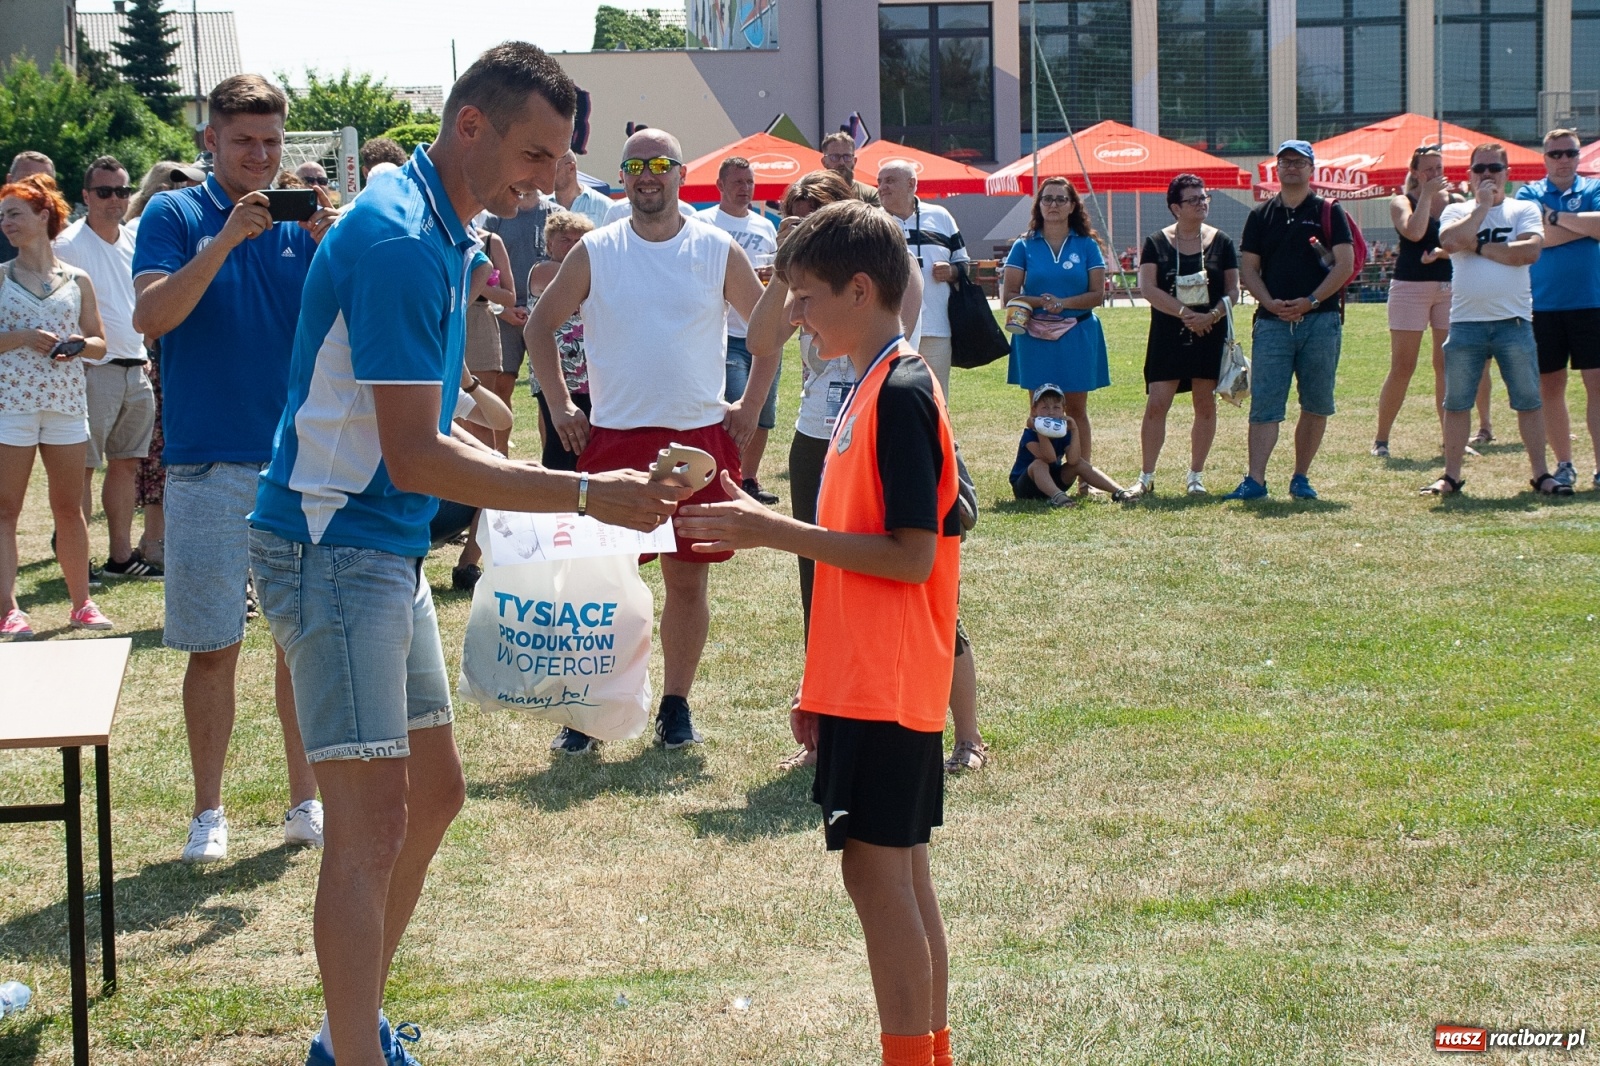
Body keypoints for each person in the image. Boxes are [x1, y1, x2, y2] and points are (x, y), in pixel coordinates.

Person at [249, 46, 687, 1066]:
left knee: (432, 794)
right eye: (535, 150)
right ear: (472, 127)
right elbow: (409, 451)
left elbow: (393, 401)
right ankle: (352, 1050)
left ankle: (346, 1029)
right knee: (366, 826)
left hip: (376, 542)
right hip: (334, 544)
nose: (550, 175)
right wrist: (589, 494)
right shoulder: (405, 239)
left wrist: (474, 410)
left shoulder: (446, 225)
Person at [675, 199, 960, 1066]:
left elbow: (912, 557)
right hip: (866, 681)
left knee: (879, 879)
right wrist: (819, 689)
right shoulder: (869, 386)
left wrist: (766, 528)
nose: (792, 315)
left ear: (861, 288)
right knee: (896, 877)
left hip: (890, 680)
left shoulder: (900, 390)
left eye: (804, 297)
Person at [131, 74, 338, 863]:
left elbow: (350, 326)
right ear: (210, 141)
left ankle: (305, 800)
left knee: (300, 645)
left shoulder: (307, 222)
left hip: (295, 460)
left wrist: (333, 249)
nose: (260, 156)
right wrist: (224, 242)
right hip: (206, 460)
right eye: (244, 140)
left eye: (273, 142)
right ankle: (208, 812)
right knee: (213, 646)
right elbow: (153, 317)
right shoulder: (176, 214)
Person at [528, 126, 769, 753]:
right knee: (604, 585)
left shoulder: (716, 248)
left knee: (688, 582)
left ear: (681, 173)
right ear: (624, 175)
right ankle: (589, 713)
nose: (647, 175)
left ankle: (675, 705)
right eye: (636, 165)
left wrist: (749, 405)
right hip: (615, 439)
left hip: (698, 440)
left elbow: (767, 328)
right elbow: (539, 327)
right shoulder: (596, 250)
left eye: (661, 163)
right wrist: (560, 406)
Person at [0, 174, 114, 638]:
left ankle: (82, 603)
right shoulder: (1, 278)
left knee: (70, 508)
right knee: (6, 510)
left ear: (43, 216)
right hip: (12, 406)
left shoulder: (77, 278)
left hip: (66, 406)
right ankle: (8, 609)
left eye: (14, 214)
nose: (6, 223)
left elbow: (101, 343)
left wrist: (77, 344)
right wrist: (23, 338)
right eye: (3, 216)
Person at [1424, 143, 1558, 496]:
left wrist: (1479, 246)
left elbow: (1528, 253)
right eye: (1480, 168)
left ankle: (1541, 474)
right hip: (1466, 322)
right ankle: (1451, 476)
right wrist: (1482, 208)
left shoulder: (1523, 209)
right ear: (1469, 175)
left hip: (1513, 322)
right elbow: (1451, 242)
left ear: (1507, 173)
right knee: (1456, 403)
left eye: (1494, 168)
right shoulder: (1457, 210)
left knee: (1528, 400)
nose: (1487, 174)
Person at [54, 156, 161, 580]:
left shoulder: (135, 238)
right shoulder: (67, 244)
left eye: (122, 191)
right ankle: (76, 560)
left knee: (127, 464)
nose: (114, 199)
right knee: (80, 468)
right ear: (85, 196)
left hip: (136, 365)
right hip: (90, 368)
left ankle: (120, 557)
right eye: (104, 191)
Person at [1230, 139, 1355, 500]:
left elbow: (1344, 265)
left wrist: (1312, 301)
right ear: (1277, 169)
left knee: (1316, 402)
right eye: (1285, 162)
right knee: (1265, 403)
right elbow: (1248, 269)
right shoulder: (1260, 215)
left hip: (1321, 321)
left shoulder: (1330, 211)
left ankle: (1301, 477)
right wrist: (1269, 302)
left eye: (1299, 162)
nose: (1291, 168)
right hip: (1271, 323)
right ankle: (1255, 480)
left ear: (1311, 169)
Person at [1131, 173, 1239, 496]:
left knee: (1205, 404)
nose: (1201, 204)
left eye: (1204, 197)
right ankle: (1146, 477)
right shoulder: (1156, 243)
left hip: (1210, 331)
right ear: (1176, 207)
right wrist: (1183, 312)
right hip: (1168, 335)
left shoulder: (1222, 242)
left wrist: (1213, 314)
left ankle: (1196, 476)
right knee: (1157, 404)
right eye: (1193, 199)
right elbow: (1147, 288)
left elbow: (1234, 290)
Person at [122, 161, 204, 570]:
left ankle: (158, 542)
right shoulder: (150, 224)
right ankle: (154, 542)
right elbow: (149, 312)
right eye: (184, 184)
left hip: (165, 354)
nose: (191, 192)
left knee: (159, 459)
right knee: (158, 459)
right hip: (156, 355)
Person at [1000, 177, 1111, 467]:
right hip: (1034, 336)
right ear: (1038, 205)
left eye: (1061, 199)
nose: (1053, 205)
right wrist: (1040, 303)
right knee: (1040, 409)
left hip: (1078, 333)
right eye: (1047, 199)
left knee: (1076, 408)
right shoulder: (1024, 246)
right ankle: (1044, 474)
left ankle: (1083, 475)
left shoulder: (1086, 245)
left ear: (1073, 205)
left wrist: (1064, 305)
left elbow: (1097, 294)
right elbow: (1009, 295)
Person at [1516, 128, 1600, 492]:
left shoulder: (1594, 187)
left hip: (1591, 302)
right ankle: (1564, 465)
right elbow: (1534, 238)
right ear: (1544, 157)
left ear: (1579, 156)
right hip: (1543, 305)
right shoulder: (1528, 193)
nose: (1563, 160)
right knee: (1551, 386)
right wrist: (1583, 227)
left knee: (1596, 386)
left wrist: (1554, 218)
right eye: (1556, 154)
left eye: (1570, 153)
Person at [698, 156, 782, 504]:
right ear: (720, 186)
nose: (745, 188)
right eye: (737, 182)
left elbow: (777, 274)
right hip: (725, 334)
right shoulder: (702, 222)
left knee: (762, 413)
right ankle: (726, 479)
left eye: (749, 182)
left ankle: (748, 478)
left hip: (763, 335)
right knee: (735, 407)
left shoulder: (764, 227)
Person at [1372, 146, 1458, 459]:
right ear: (1416, 172)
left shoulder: (1456, 202)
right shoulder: (1401, 201)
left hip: (1449, 287)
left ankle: (1451, 438)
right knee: (1403, 366)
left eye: (1439, 167)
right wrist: (1425, 196)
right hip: (1410, 287)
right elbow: (1415, 231)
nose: (1436, 174)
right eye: (1428, 169)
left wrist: (1440, 253)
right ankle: (1381, 439)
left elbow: (1464, 243)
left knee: (1446, 364)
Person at [448, 225, 519, 593]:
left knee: (490, 454)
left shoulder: (491, 240)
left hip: (476, 326)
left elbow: (509, 296)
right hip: (445, 324)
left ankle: (468, 563)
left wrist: (468, 383)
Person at [878, 160, 968, 396]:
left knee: (937, 395)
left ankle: (937, 435)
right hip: (888, 329)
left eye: (889, 181)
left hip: (937, 327)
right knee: (891, 394)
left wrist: (952, 271)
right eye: (880, 182)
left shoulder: (941, 216)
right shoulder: (872, 222)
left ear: (911, 184)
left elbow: (964, 263)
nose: (882, 187)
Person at [526, 209, 594, 473]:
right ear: (549, 243)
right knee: (562, 443)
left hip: (588, 375)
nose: (573, 245)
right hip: (558, 373)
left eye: (580, 240)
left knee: (583, 444)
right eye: (566, 239)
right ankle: (552, 500)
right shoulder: (544, 270)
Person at [482, 196, 545, 429]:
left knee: (548, 394)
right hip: (506, 315)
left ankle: (551, 459)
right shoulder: (495, 218)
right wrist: (502, 310)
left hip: (546, 315)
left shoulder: (554, 213)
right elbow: (481, 270)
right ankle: (500, 459)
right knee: (500, 388)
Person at [1010, 383, 1130, 505]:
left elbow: (1074, 460)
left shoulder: (1063, 432)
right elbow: (1049, 458)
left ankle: (1120, 492)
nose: (1051, 412)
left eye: (1056, 408)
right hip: (1026, 487)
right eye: (1045, 408)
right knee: (1039, 464)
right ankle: (1059, 497)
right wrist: (1041, 430)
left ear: (1063, 410)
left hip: (1053, 480)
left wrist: (1074, 430)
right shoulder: (1030, 434)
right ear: (1034, 410)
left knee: (1080, 463)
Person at [0, 152, 55, 264]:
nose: (35, 190)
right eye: (26, 181)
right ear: (9, 181)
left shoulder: (66, 234)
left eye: (43, 184)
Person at [544, 149, 610, 227]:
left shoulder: (603, 206)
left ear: (571, 168)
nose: (548, 176)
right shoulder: (542, 206)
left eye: (554, 170)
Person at [819, 131, 882, 207]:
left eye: (847, 157)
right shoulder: (814, 193)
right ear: (824, 162)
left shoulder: (870, 194)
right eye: (835, 157)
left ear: (854, 161)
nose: (842, 162)